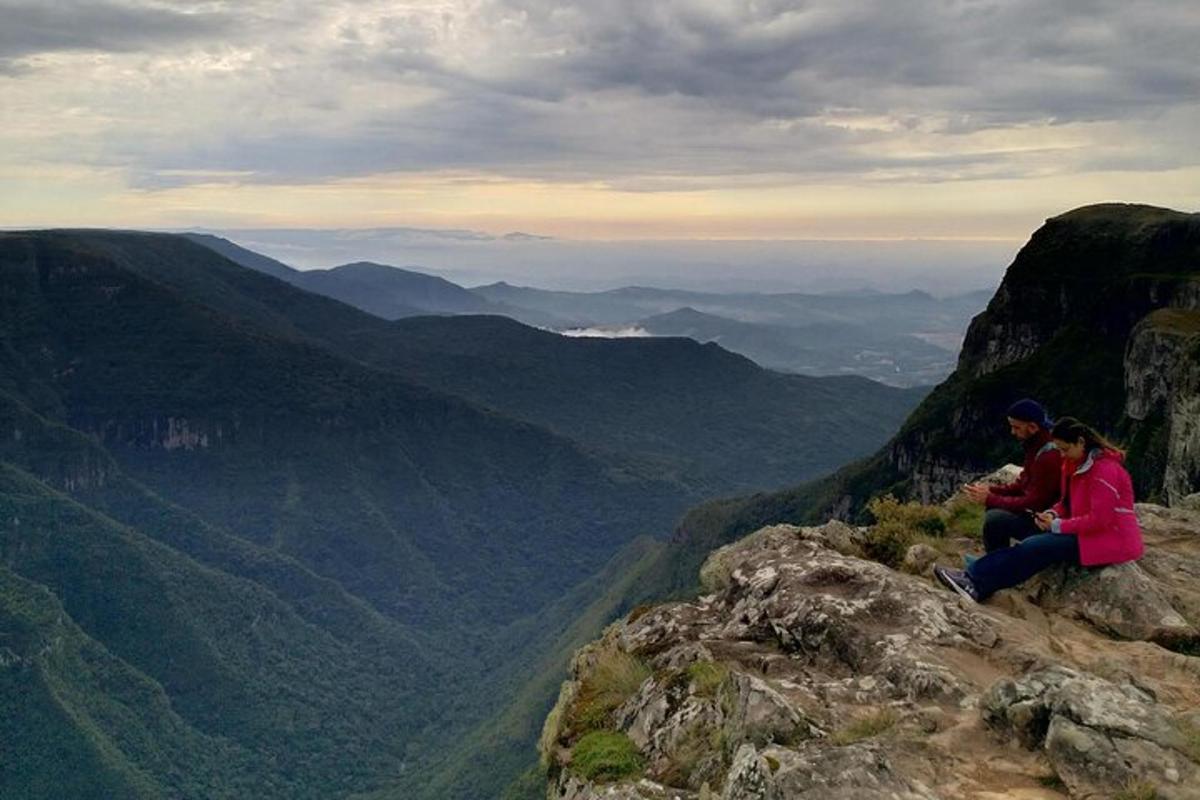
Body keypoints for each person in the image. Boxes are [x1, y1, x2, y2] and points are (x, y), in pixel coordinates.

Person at [935, 417, 1144, 602]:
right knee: (1011, 530)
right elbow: (1066, 502)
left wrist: (1057, 525)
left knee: (1035, 545)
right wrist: (1053, 513)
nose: (1061, 455)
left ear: (1080, 442)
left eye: (1064, 449)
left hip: (1108, 541)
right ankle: (986, 573)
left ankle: (974, 582)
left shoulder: (1104, 471)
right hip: (1084, 533)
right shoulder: (1075, 464)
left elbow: (1100, 520)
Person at [961, 398, 1062, 558]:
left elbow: (1035, 501)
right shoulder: (1037, 445)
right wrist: (992, 491)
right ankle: (996, 562)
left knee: (996, 519)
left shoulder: (1049, 456)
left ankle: (995, 569)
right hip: (1043, 515)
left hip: (1048, 522)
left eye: (1016, 427)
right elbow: (1023, 484)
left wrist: (991, 499)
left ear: (1032, 427)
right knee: (995, 511)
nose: (1012, 432)